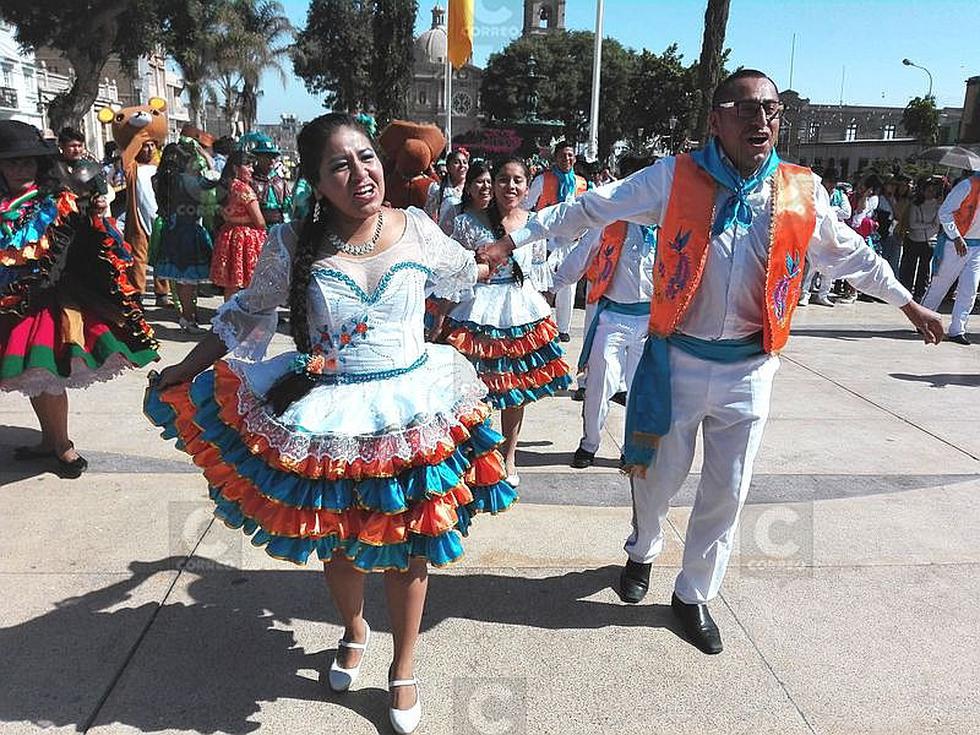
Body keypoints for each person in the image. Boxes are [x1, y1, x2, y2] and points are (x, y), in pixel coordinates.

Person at [481, 69, 943, 655]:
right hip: (676, 361)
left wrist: (907, 302)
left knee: (728, 491)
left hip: (751, 369)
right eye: (747, 109)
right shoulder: (675, 177)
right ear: (716, 120)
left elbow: (849, 254)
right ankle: (642, 549)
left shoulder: (801, 192)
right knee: (656, 476)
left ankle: (693, 594)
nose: (761, 121)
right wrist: (512, 241)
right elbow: (594, 206)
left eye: (772, 111)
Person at [145, 113, 516, 734]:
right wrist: (184, 367)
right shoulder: (291, 243)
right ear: (317, 181)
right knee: (338, 544)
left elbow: (465, 272)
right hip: (329, 415)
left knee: (410, 546)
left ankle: (403, 667)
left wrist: (520, 240)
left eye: (367, 157)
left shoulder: (420, 228)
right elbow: (243, 316)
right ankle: (353, 628)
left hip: (412, 412)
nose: (360, 174)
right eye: (339, 165)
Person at [0, 120, 159, 478]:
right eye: (12, 162)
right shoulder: (4, 205)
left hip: (50, 303)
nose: (20, 169)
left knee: (46, 373)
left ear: (40, 166)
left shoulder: (59, 200)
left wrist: (98, 216)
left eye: (28, 162)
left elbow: (103, 245)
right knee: (30, 376)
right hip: (10, 303)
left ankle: (62, 444)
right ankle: (48, 439)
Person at [442, 157, 572, 486]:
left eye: (517, 180)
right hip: (476, 312)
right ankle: (473, 455)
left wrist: (545, 309)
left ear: (527, 187)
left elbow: (539, 273)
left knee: (515, 389)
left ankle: (508, 455)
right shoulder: (467, 222)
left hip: (519, 311)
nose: (509, 186)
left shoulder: (534, 223)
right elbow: (455, 273)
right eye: (503, 179)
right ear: (493, 182)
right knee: (471, 389)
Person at [550, 155, 657, 469]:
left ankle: (633, 448)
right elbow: (580, 258)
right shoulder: (608, 223)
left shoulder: (669, 225)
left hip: (651, 322)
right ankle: (589, 443)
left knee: (641, 389)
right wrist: (552, 286)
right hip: (613, 318)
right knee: (600, 384)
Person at [525, 140, 589, 341]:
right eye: (562, 155)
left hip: (572, 241)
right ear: (556, 158)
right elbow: (527, 205)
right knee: (541, 283)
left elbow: (587, 210)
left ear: (575, 158)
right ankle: (541, 324)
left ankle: (563, 329)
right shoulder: (543, 180)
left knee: (568, 286)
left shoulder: (581, 183)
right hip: (547, 241)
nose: (567, 159)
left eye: (570, 155)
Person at [152, 142, 217, 333]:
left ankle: (185, 316)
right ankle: (188, 318)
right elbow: (214, 179)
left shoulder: (159, 179)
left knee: (180, 279)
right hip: (188, 231)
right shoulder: (188, 180)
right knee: (188, 279)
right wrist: (206, 157)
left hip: (171, 230)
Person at [921, 169, 980, 345]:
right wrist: (955, 237)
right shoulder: (966, 185)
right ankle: (922, 320)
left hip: (977, 247)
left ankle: (957, 330)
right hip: (955, 243)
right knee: (940, 284)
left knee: (969, 289)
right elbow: (945, 212)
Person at [210, 151, 266, 300]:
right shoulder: (244, 189)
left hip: (228, 234)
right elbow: (259, 221)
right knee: (249, 281)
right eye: (248, 166)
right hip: (245, 238)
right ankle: (246, 317)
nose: (252, 170)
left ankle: (228, 316)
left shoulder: (224, 187)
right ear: (236, 168)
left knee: (231, 282)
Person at [799, 168, 850, 306]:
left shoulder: (840, 195)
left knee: (830, 265)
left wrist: (829, 211)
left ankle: (823, 294)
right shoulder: (816, 191)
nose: (831, 185)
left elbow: (847, 213)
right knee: (811, 265)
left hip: (832, 234)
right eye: (829, 181)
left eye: (834, 182)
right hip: (815, 233)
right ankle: (804, 294)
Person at [900, 178, 941, 302]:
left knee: (924, 269)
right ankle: (906, 290)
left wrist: (924, 225)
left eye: (933, 190)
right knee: (909, 266)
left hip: (930, 241)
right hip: (913, 239)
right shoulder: (915, 204)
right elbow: (913, 224)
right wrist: (928, 225)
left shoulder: (939, 206)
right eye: (928, 190)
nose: (930, 193)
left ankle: (920, 292)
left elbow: (937, 225)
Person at [249, 135, 292, 226]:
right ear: (258, 157)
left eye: (274, 157)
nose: (272, 160)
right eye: (267, 156)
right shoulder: (251, 180)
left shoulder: (280, 181)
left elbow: (287, 207)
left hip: (279, 226)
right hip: (257, 228)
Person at [424, 149, 469, 234]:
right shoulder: (437, 190)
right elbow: (428, 216)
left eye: (465, 162)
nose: (462, 165)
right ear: (448, 167)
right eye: (457, 162)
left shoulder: (472, 188)